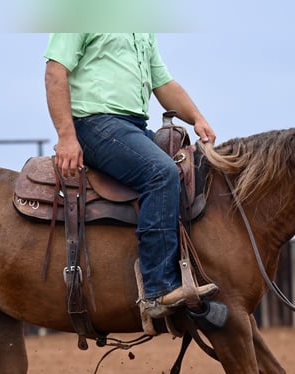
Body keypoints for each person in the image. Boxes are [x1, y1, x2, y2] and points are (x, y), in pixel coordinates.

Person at [44, 33, 218, 319]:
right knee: (160, 173)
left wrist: (197, 117)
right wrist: (66, 136)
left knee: (192, 169)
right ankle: (158, 288)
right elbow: (55, 71)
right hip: (95, 124)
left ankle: (193, 272)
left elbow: (164, 84)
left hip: (133, 127)